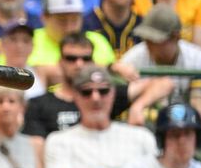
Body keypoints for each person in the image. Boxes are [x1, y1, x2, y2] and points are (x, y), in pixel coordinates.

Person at [25, 33, 174, 135]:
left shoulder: (103, 95)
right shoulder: (41, 104)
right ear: (60, 62)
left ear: (93, 62)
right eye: (71, 58)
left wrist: (138, 106)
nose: (79, 64)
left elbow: (165, 83)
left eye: (85, 58)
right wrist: (112, 67)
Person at [45, 66, 157, 168]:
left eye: (103, 91)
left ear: (113, 93)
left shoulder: (141, 137)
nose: (96, 98)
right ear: (75, 96)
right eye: (87, 92)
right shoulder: (59, 140)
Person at [121, 4, 201, 116]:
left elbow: (198, 109)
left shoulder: (199, 59)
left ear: (176, 37)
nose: (149, 45)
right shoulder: (132, 59)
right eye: (147, 38)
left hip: (184, 124)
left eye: (155, 40)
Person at [26, 0, 116, 86]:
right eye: (62, 20)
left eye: (74, 20)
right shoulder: (28, 40)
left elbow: (110, 74)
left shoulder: (97, 40)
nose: (69, 26)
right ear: (44, 17)